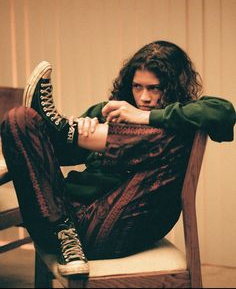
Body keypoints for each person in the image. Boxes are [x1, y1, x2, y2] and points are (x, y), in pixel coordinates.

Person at [1, 40, 235, 277]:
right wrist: (81, 130)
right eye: (137, 86)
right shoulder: (110, 112)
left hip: (118, 226)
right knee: (17, 118)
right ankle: (64, 227)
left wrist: (146, 118)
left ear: (174, 86)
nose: (144, 97)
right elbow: (55, 154)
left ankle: (64, 129)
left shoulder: (178, 119)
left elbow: (223, 112)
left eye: (154, 88)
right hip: (60, 222)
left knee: (173, 136)